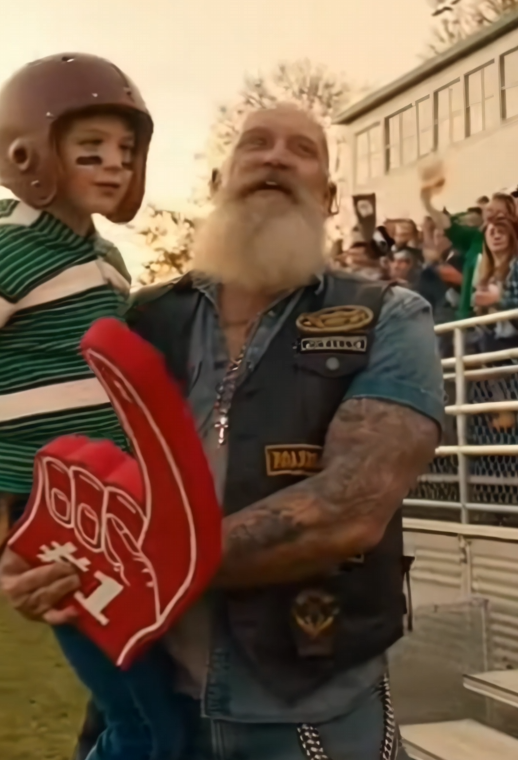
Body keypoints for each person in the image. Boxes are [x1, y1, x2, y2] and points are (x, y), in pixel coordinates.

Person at [1, 103, 443, 760]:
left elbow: (348, 510)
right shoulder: (141, 317)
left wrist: (133, 565)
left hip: (309, 711)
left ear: (328, 198)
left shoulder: (389, 315)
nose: (275, 156)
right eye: (256, 143)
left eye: (302, 149)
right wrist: (35, 556)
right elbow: (53, 444)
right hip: (153, 696)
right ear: (216, 183)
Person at [0, 53, 185, 760]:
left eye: (126, 150)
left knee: (154, 710)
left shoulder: (109, 259)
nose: (114, 164)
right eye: (91, 149)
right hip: (46, 509)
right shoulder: (9, 243)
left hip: (109, 502)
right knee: (147, 725)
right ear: (30, 153)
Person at [421, 186, 516, 320]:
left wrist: (498, 297)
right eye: (489, 210)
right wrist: (428, 204)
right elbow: (447, 224)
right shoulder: (475, 237)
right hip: (471, 313)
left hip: (504, 318)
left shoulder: (512, 245)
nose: (490, 215)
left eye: (498, 212)